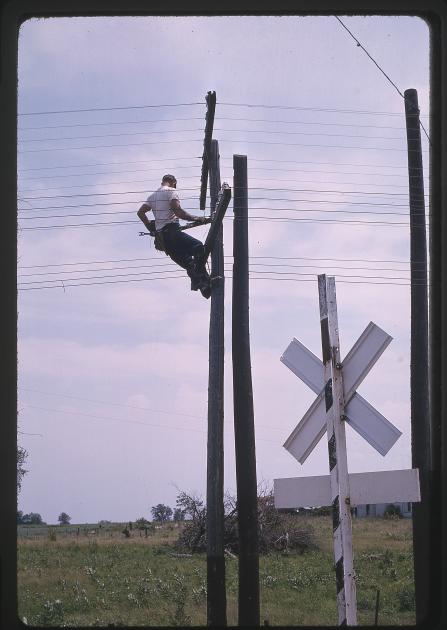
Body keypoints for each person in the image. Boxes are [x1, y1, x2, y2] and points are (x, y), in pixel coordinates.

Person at [137, 174, 211, 297]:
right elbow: (178, 211)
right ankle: (202, 280)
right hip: (173, 233)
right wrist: (197, 218)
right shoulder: (171, 191)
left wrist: (150, 226)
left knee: (189, 263)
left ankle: (202, 285)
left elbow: (140, 213)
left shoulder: (152, 196)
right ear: (174, 182)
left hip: (165, 241)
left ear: (162, 182)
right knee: (198, 247)